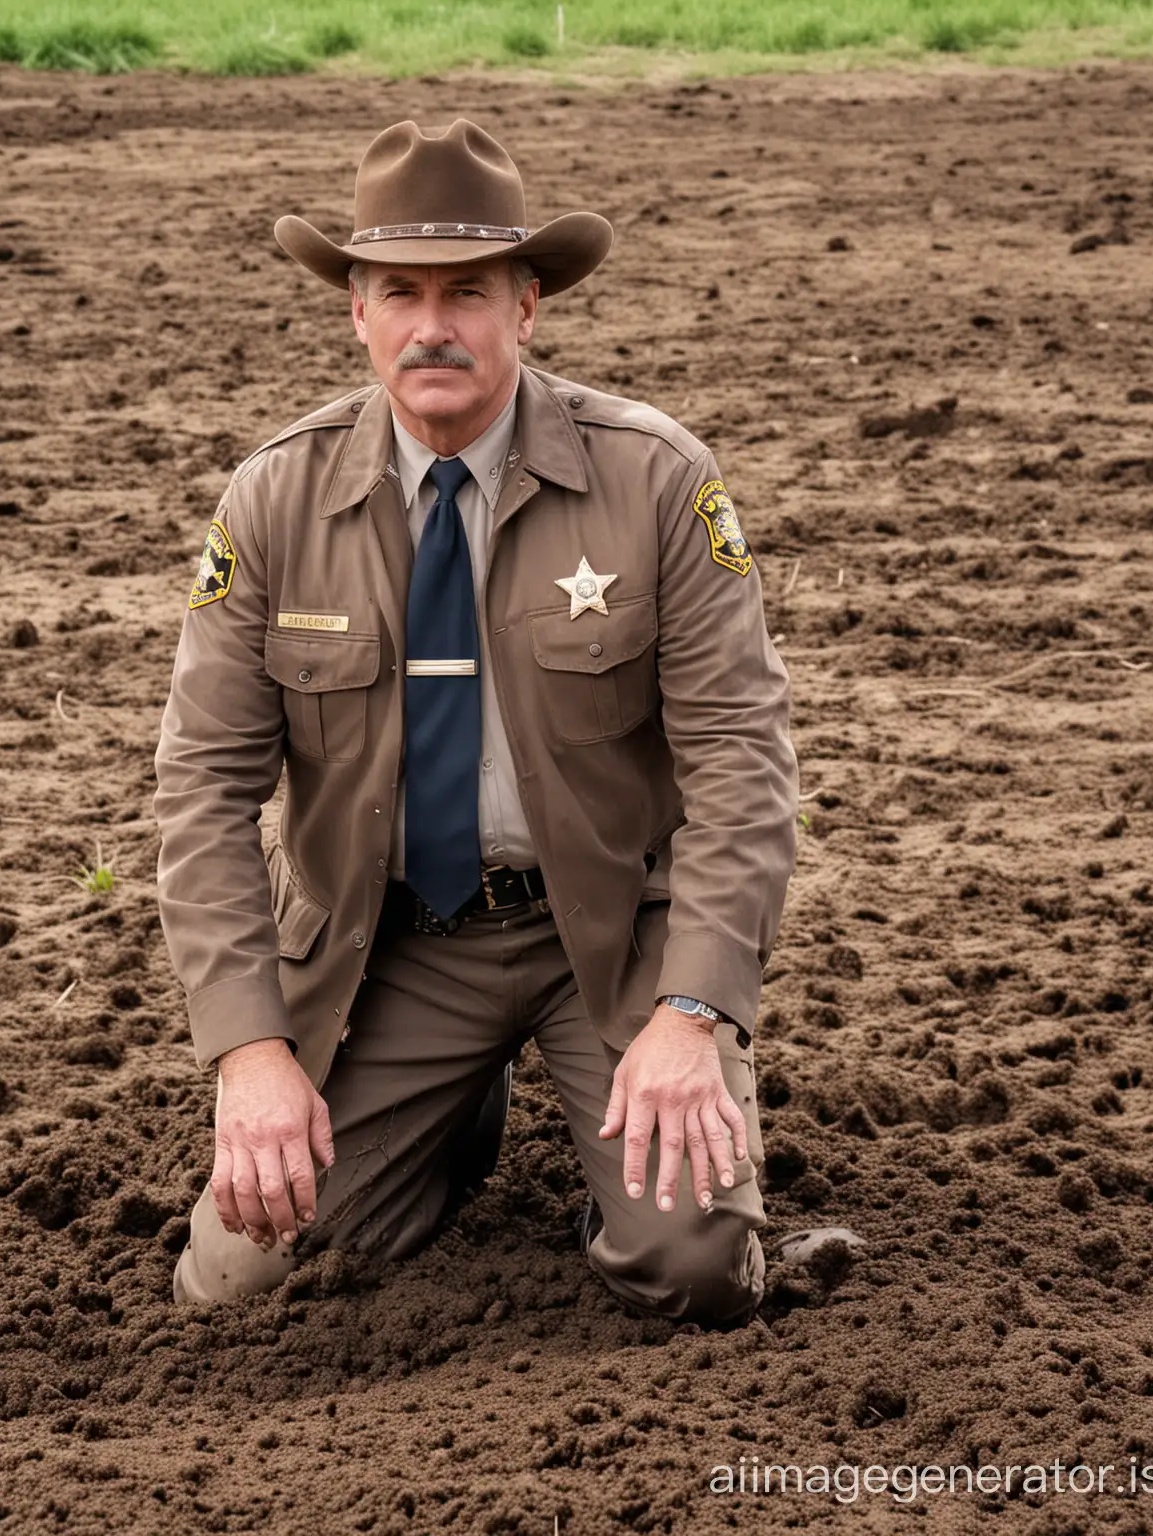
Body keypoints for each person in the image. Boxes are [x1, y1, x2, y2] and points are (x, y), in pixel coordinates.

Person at [154, 118, 798, 1325]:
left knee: (695, 1271)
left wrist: (692, 1012)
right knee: (242, 1285)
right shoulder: (275, 498)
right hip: (389, 950)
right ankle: (448, 1120)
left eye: (468, 292)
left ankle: (629, 1118)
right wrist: (248, 1051)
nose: (432, 325)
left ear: (529, 305)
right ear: (357, 311)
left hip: (608, 942)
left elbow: (744, 767)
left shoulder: (657, 480)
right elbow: (201, 790)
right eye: (399, 291)